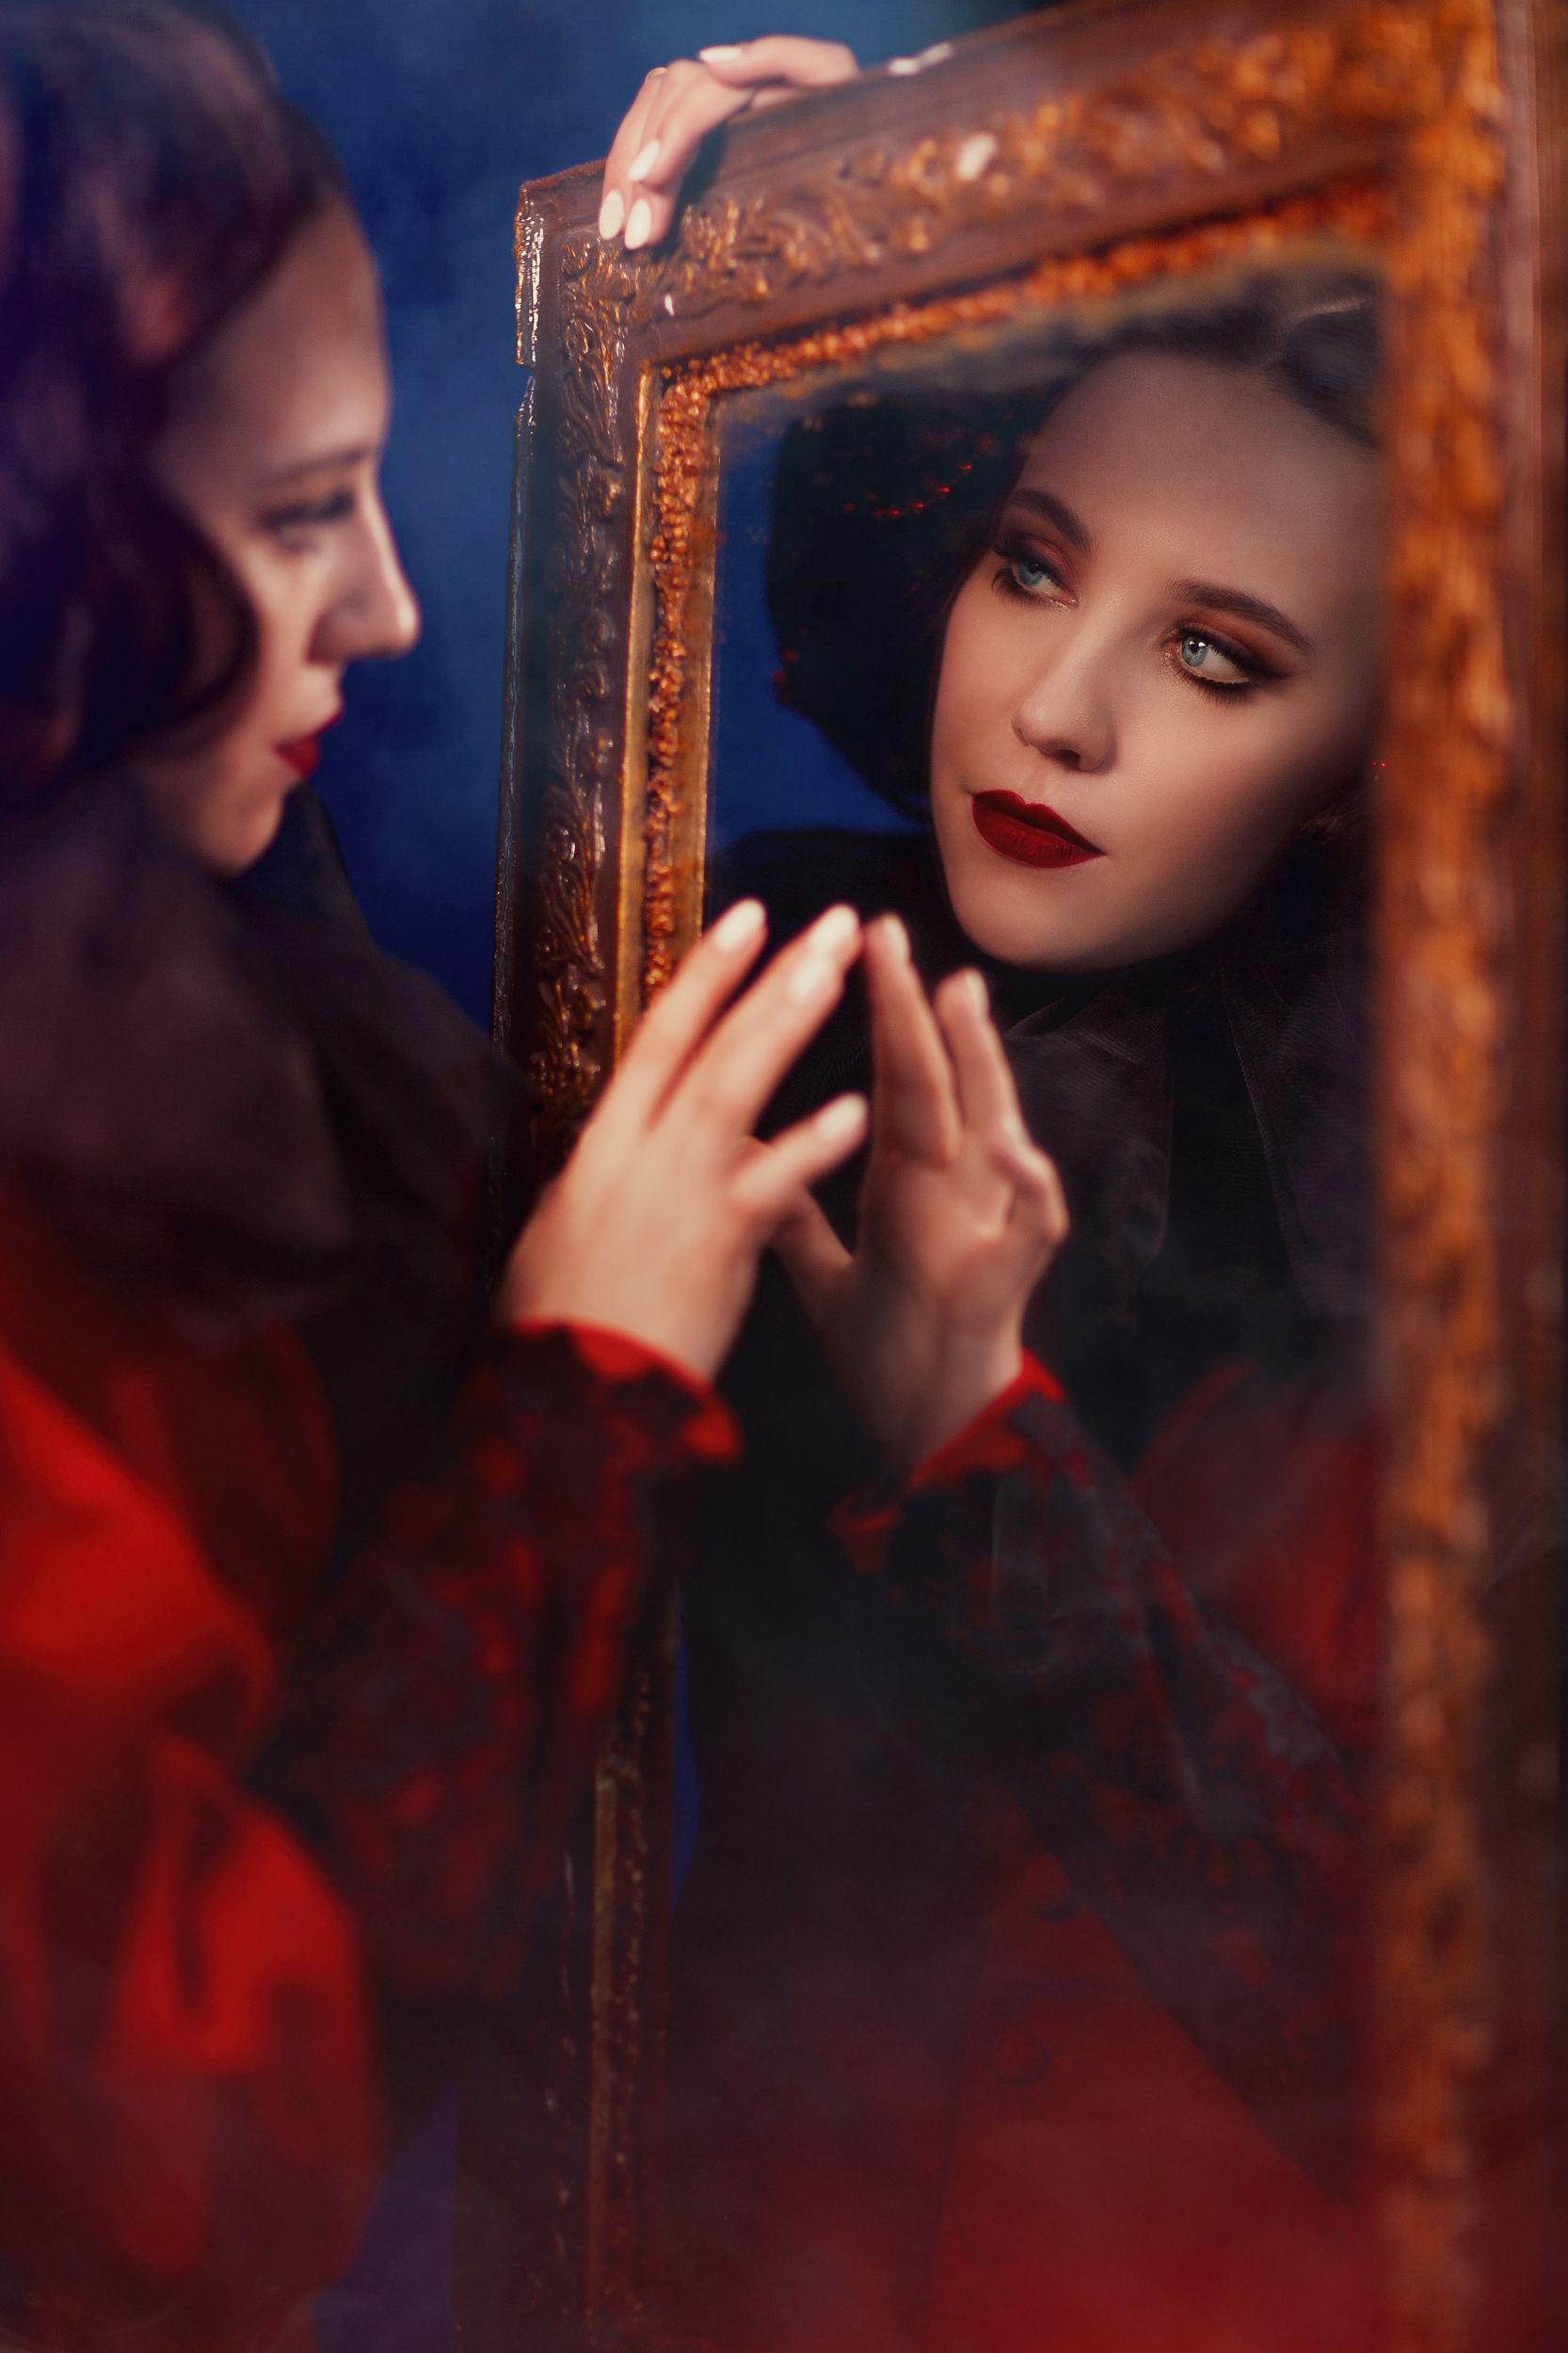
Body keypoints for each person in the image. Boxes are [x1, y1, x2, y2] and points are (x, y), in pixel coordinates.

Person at [0, 9, 895, 2349]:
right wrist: (583, 1384)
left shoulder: (158, 922)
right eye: (301, 513)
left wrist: (896, 259)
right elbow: (172, 2152)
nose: (394, 606)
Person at [601, 47, 1385, 2353]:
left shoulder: (1450, 1221)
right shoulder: (752, 1012)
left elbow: (1430, 2039)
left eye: (1214, 656)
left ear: (1369, 769)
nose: (1053, 712)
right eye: (1027, 564)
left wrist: (971, 1437)